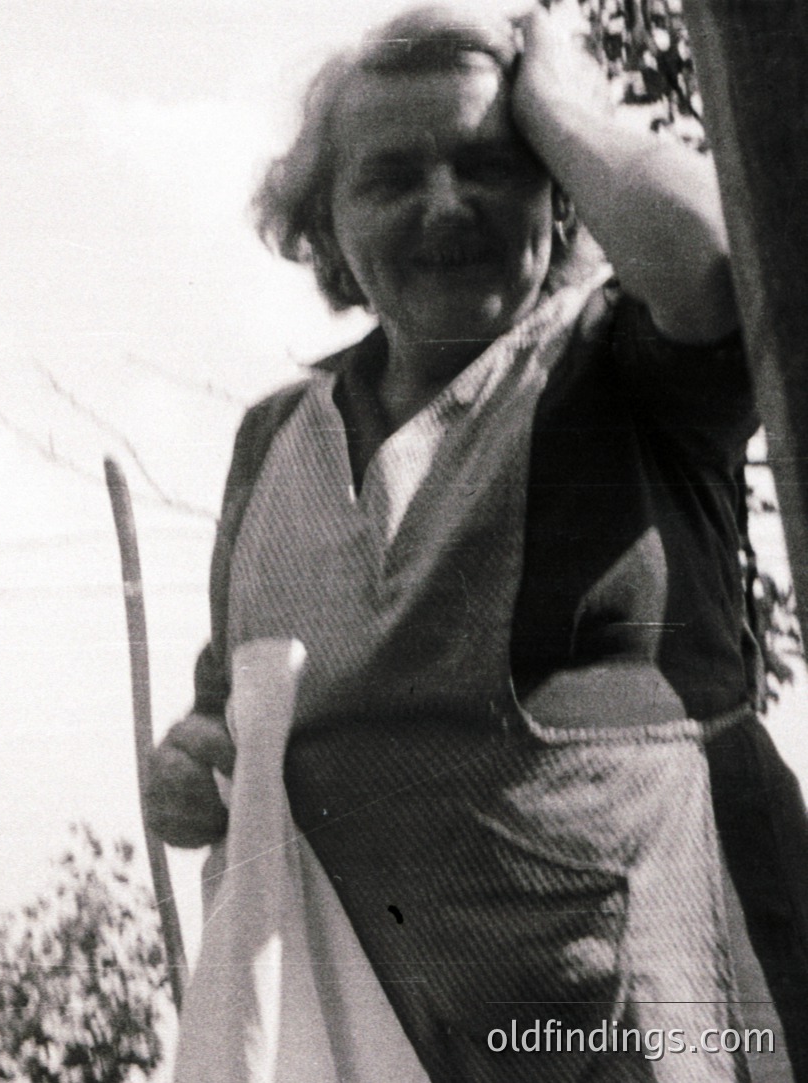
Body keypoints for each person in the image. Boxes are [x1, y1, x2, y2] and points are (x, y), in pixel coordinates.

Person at [145, 3, 808, 1080]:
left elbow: (718, 269)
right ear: (327, 232)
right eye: (391, 177)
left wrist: (563, 102)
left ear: (557, 187)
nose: (445, 205)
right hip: (392, 1034)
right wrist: (196, 760)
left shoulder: (617, 365)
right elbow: (231, 705)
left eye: (492, 164)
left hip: (660, 1013)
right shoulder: (275, 439)